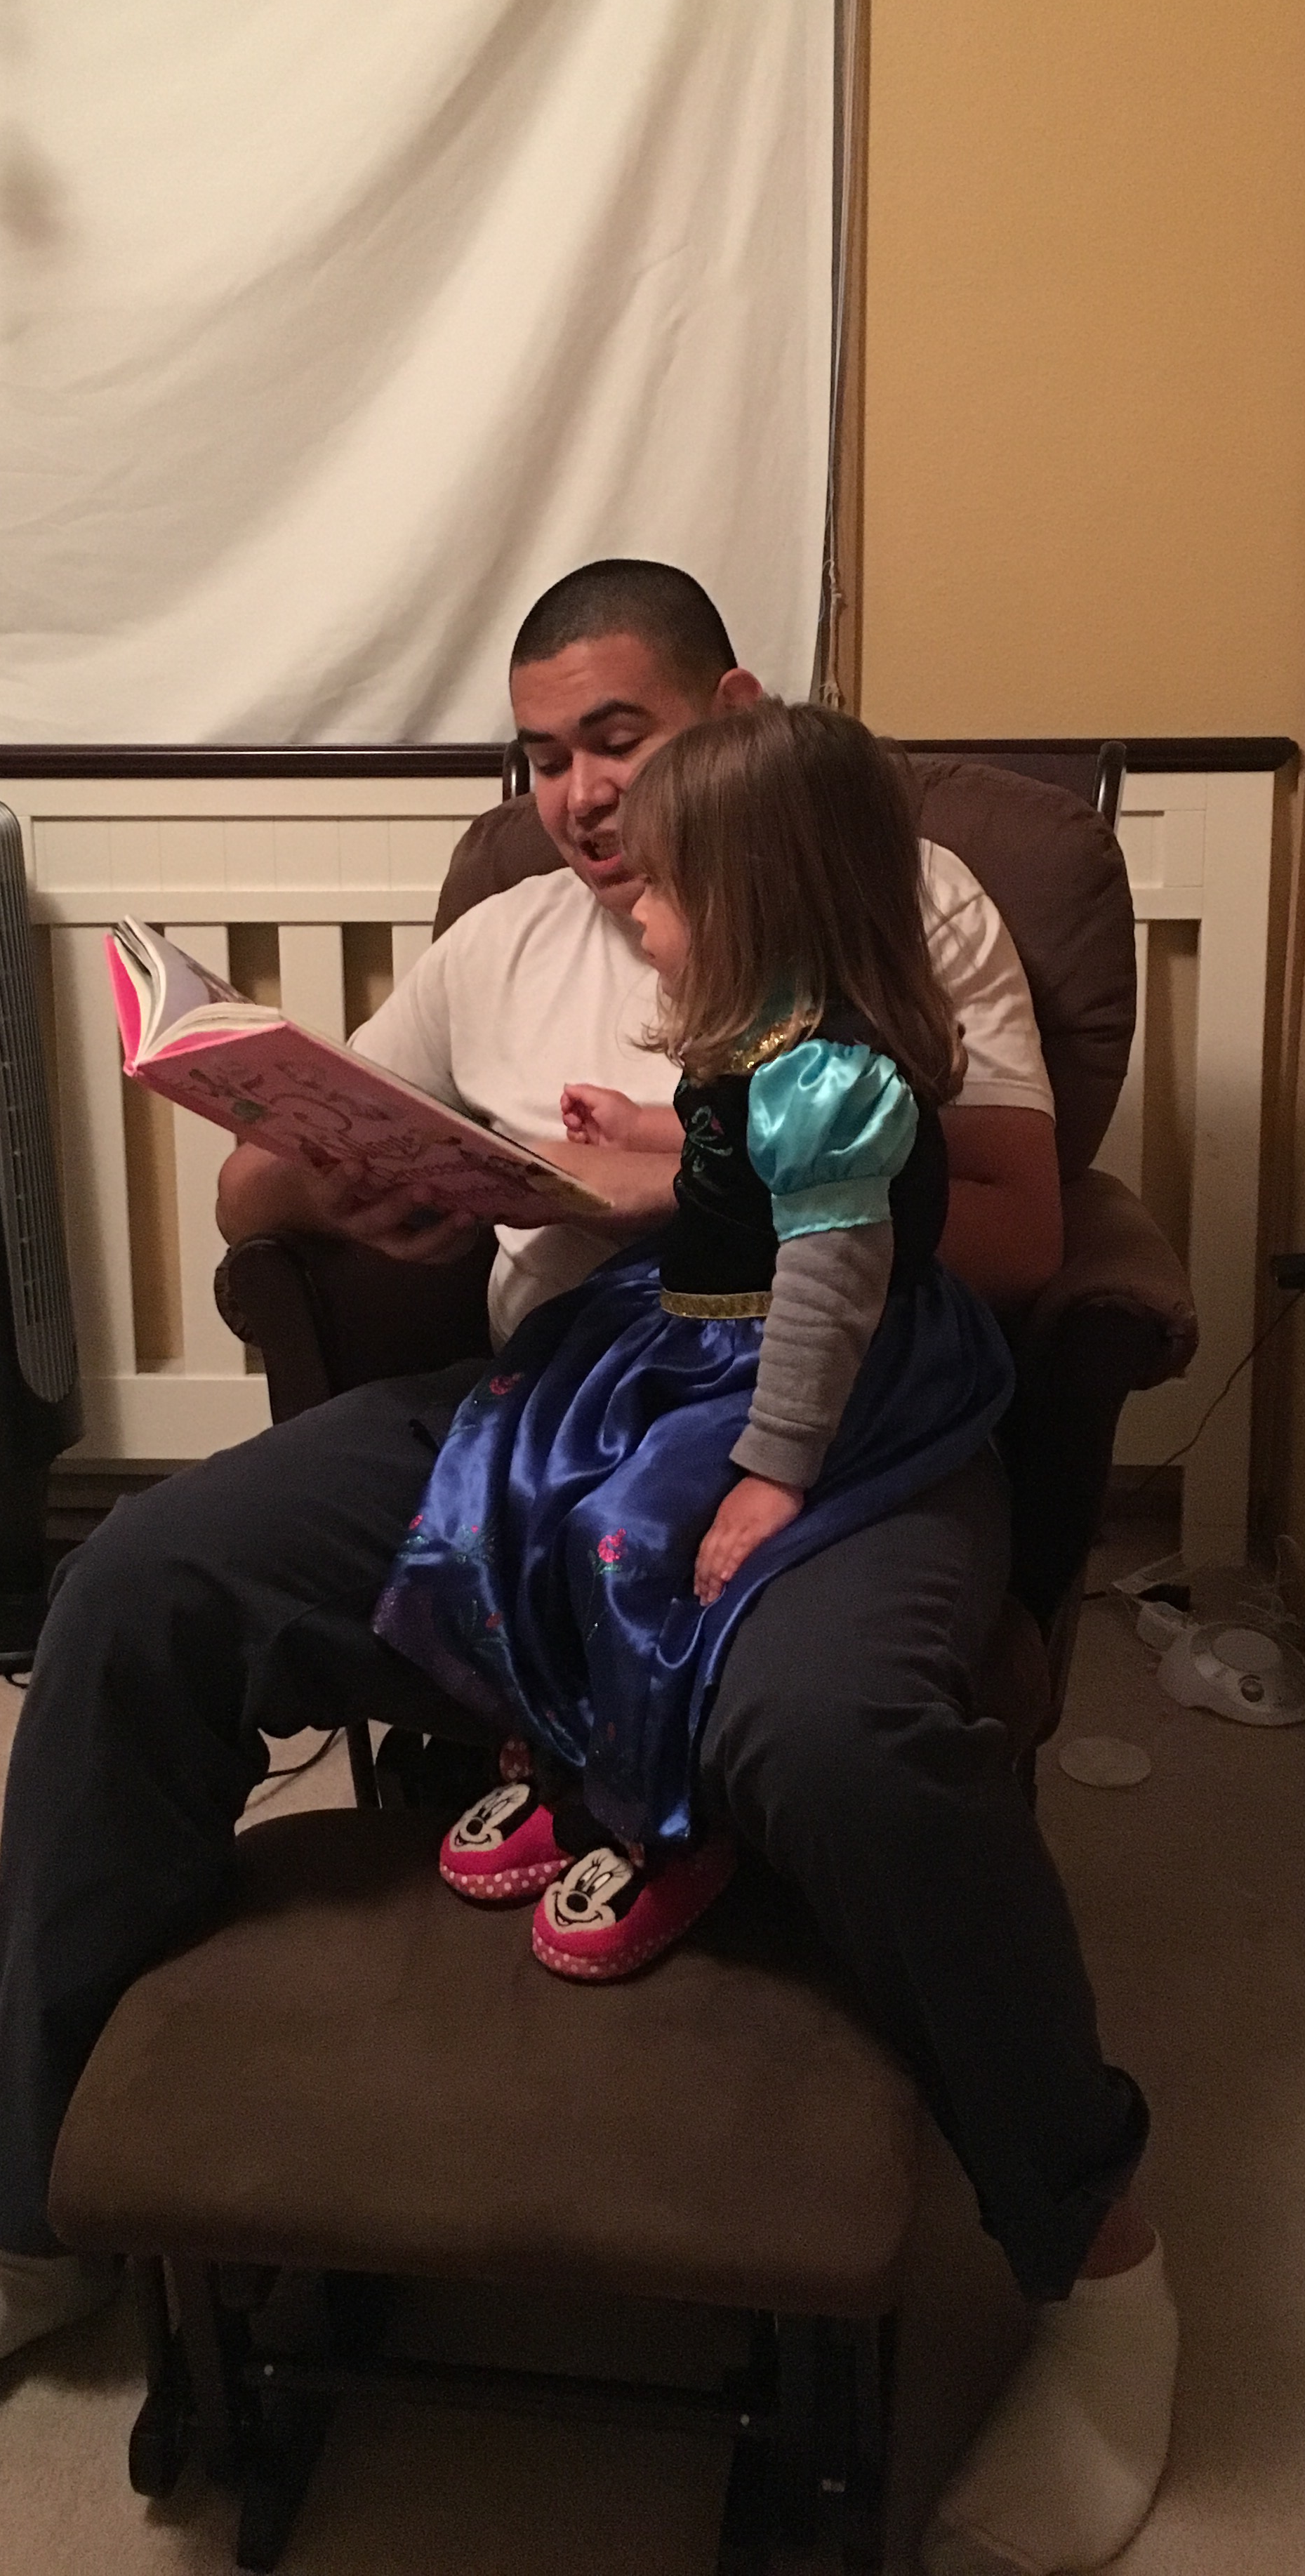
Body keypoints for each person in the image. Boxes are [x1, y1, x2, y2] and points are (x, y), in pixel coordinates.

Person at [0, 560, 1177, 2575]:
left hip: (836, 1415)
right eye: (540, 756)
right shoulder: (499, 939)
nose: (578, 794)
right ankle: (29, 2227)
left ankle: (1099, 2262)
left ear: (731, 712)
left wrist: (677, 1191)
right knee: (138, 1594)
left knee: (846, 1735)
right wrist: (333, 1169)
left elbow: (1017, 1232)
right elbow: (259, 1187)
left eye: (618, 738)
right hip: (540, 1411)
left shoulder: (894, 888)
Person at [385, 702, 1018, 1981]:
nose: (639, 912)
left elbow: (831, 1285)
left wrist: (774, 1471)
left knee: (627, 1537)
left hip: (802, 1358)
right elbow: (734, 1140)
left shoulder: (835, 1083)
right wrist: (643, 1127)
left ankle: (661, 1820)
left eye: (666, 890)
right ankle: (557, 1746)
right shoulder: (758, 1023)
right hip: (696, 1321)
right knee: (517, 1462)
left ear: (754, 903)